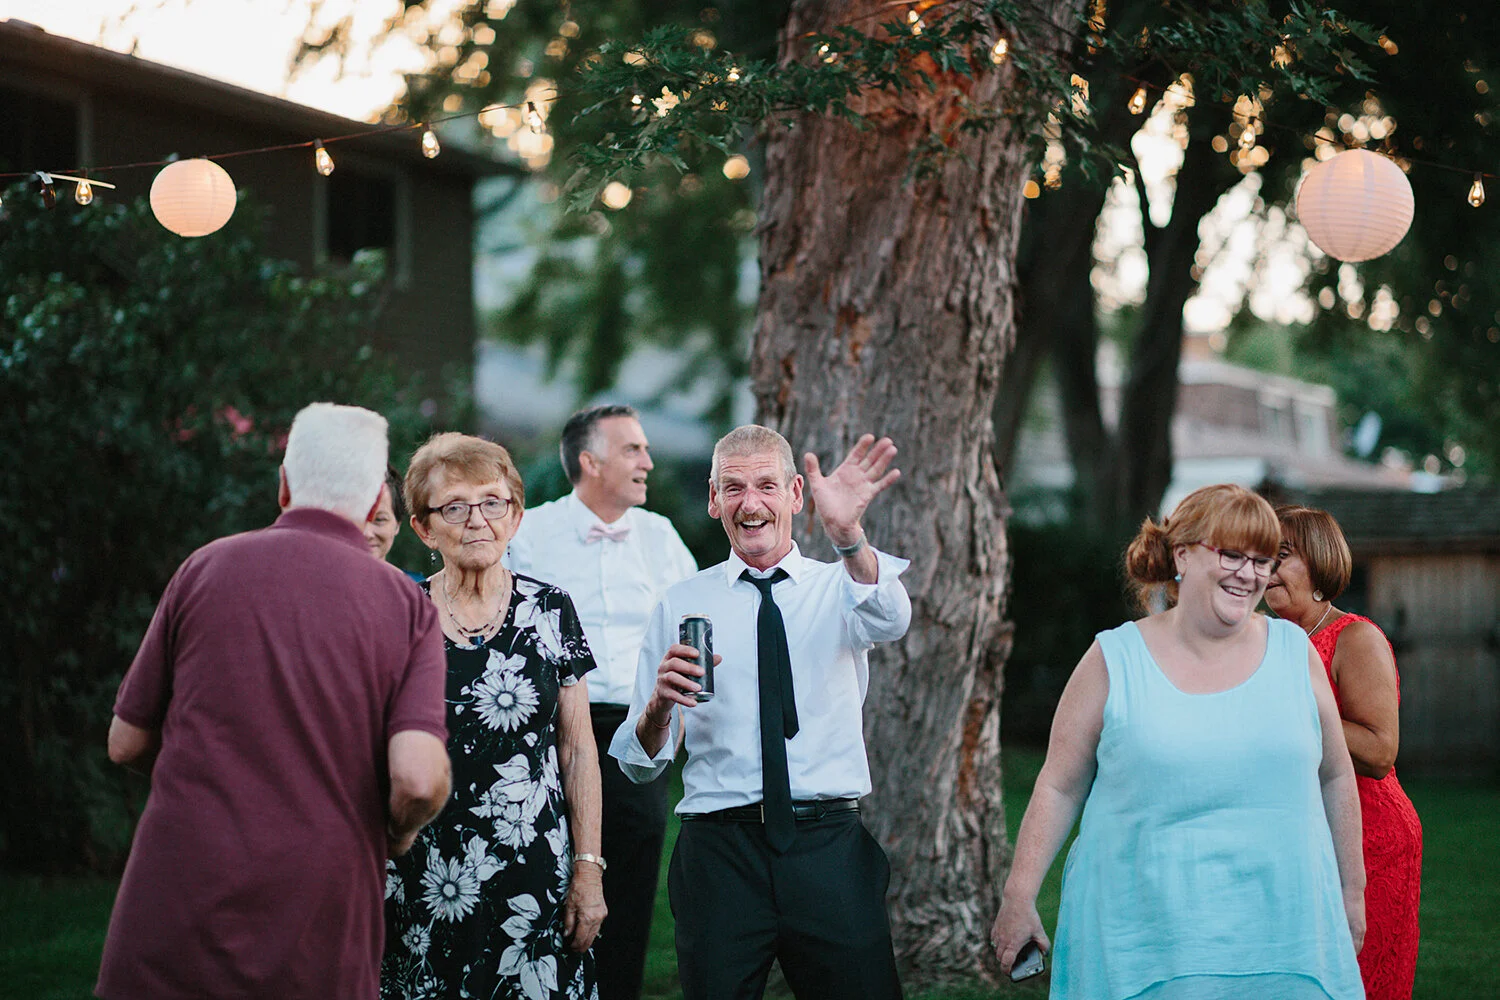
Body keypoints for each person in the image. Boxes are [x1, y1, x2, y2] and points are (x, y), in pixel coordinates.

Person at [96, 403, 452, 1000]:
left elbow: (125, 741)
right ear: (374, 504)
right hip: (315, 923)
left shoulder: (204, 568)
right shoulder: (406, 605)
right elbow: (417, 779)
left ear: (285, 486)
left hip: (175, 904)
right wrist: (399, 832)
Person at [990, 483, 1366, 1000]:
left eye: (1262, 560)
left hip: (1288, 939)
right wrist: (1019, 895)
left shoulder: (1293, 651)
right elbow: (1058, 786)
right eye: (1232, 555)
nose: (1249, 574)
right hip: (1147, 947)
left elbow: (1336, 774)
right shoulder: (1113, 658)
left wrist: (1352, 892)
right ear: (1183, 555)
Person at [611, 425, 909, 1000]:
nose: (751, 503)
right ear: (713, 499)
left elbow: (891, 618)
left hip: (828, 848)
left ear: (796, 494)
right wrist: (656, 709)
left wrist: (849, 537)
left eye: (767, 486)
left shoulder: (840, 586)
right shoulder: (682, 602)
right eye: (734, 488)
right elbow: (640, 765)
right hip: (720, 856)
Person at [382, 432, 607, 1000]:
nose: (477, 519)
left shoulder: (551, 610)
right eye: (455, 507)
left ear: (515, 514)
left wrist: (588, 869)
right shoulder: (400, 617)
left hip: (533, 874)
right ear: (425, 529)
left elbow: (577, 749)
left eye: (491, 501)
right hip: (423, 873)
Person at [505, 404, 697, 1000]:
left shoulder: (661, 536)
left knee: (631, 880)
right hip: (547, 727)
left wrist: (681, 716)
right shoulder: (529, 534)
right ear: (589, 462)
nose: (648, 461)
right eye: (632, 450)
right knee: (541, 873)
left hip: (636, 730)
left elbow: (693, 626)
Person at [1267, 504, 1422, 1000]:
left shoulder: (1355, 637)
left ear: (1319, 563)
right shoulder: (1268, 642)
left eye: (1282, 555)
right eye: (1260, 555)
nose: (1264, 568)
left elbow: (1381, 750)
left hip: (1370, 838)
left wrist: (1291, 709)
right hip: (1299, 836)